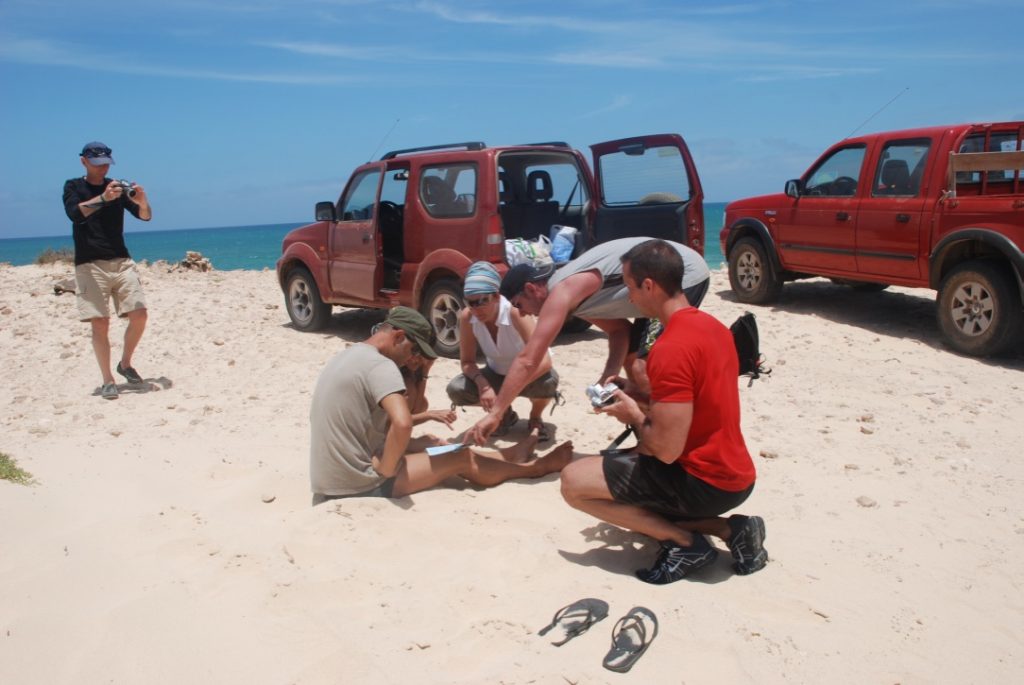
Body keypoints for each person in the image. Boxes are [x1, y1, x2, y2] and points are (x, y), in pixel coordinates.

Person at [558, 239, 767, 584]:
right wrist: (637, 394)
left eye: (629, 287)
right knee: (638, 504)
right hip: (734, 472)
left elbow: (665, 449)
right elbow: (691, 403)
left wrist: (633, 416)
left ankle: (685, 544)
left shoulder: (670, 348)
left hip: (702, 478)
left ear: (649, 285)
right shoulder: (711, 327)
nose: (628, 298)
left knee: (574, 482)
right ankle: (732, 529)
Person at [309, 306, 573, 504]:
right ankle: (534, 469)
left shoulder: (349, 356)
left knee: (432, 445)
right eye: (414, 350)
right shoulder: (382, 365)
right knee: (461, 458)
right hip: (358, 484)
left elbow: (383, 423)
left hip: (328, 481)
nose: (413, 358)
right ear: (399, 336)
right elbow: (401, 423)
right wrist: (387, 470)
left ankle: (509, 455)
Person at [466, 236, 709, 443]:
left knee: (643, 369)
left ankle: (671, 439)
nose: (525, 313)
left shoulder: (562, 291)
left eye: (520, 305)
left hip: (683, 276)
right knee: (635, 370)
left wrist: (496, 413)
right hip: (646, 294)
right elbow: (619, 331)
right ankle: (652, 436)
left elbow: (529, 358)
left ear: (531, 289)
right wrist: (609, 376)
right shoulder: (576, 298)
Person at [62, 142, 152, 400]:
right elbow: (74, 214)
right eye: (97, 163)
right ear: (84, 161)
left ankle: (124, 364)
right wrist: (103, 198)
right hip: (89, 263)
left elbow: (145, 217)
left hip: (121, 260)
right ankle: (107, 380)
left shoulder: (116, 187)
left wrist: (142, 201)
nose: (102, 168)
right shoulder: (73, 187)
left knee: (140, 314)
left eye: (105, 164)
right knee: (100, 322)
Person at [446, 262, 560, 441]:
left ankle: (535, 416)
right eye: (470, 302)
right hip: (496, 372)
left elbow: (545, 361)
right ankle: (506, 414)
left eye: (482, 301)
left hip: (530, 373)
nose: (476, 309)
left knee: (547, 384)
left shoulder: (515, 311)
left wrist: (509, 389)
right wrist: (483, 385)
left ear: (497, 296)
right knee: (456, 389)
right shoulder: (467, 317)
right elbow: (467, 362)